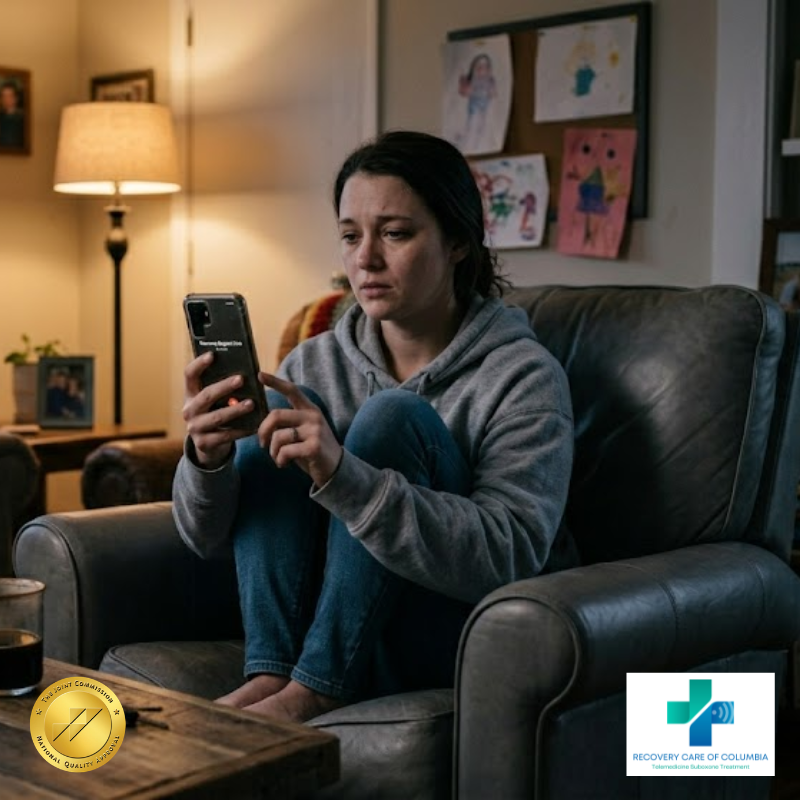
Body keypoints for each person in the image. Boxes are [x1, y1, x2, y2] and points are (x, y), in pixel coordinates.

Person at [173, 130, 577, 724]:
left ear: (459, 242)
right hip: (309, 627)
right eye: (350, 235)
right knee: (275, 417)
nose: (366, 259)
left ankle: (318, 688)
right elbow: (205, 540)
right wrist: (206, 464)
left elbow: (511, 554)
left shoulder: (522, 376)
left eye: (395, 233)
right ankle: (271, 674)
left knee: (390, 418)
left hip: (445, 626)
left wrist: (344, 475)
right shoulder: (313, 363)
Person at [0, 81, 24, 148]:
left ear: (16, 98)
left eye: (9, 96)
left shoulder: (23, 119)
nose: (6, 99)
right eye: (3, 96)